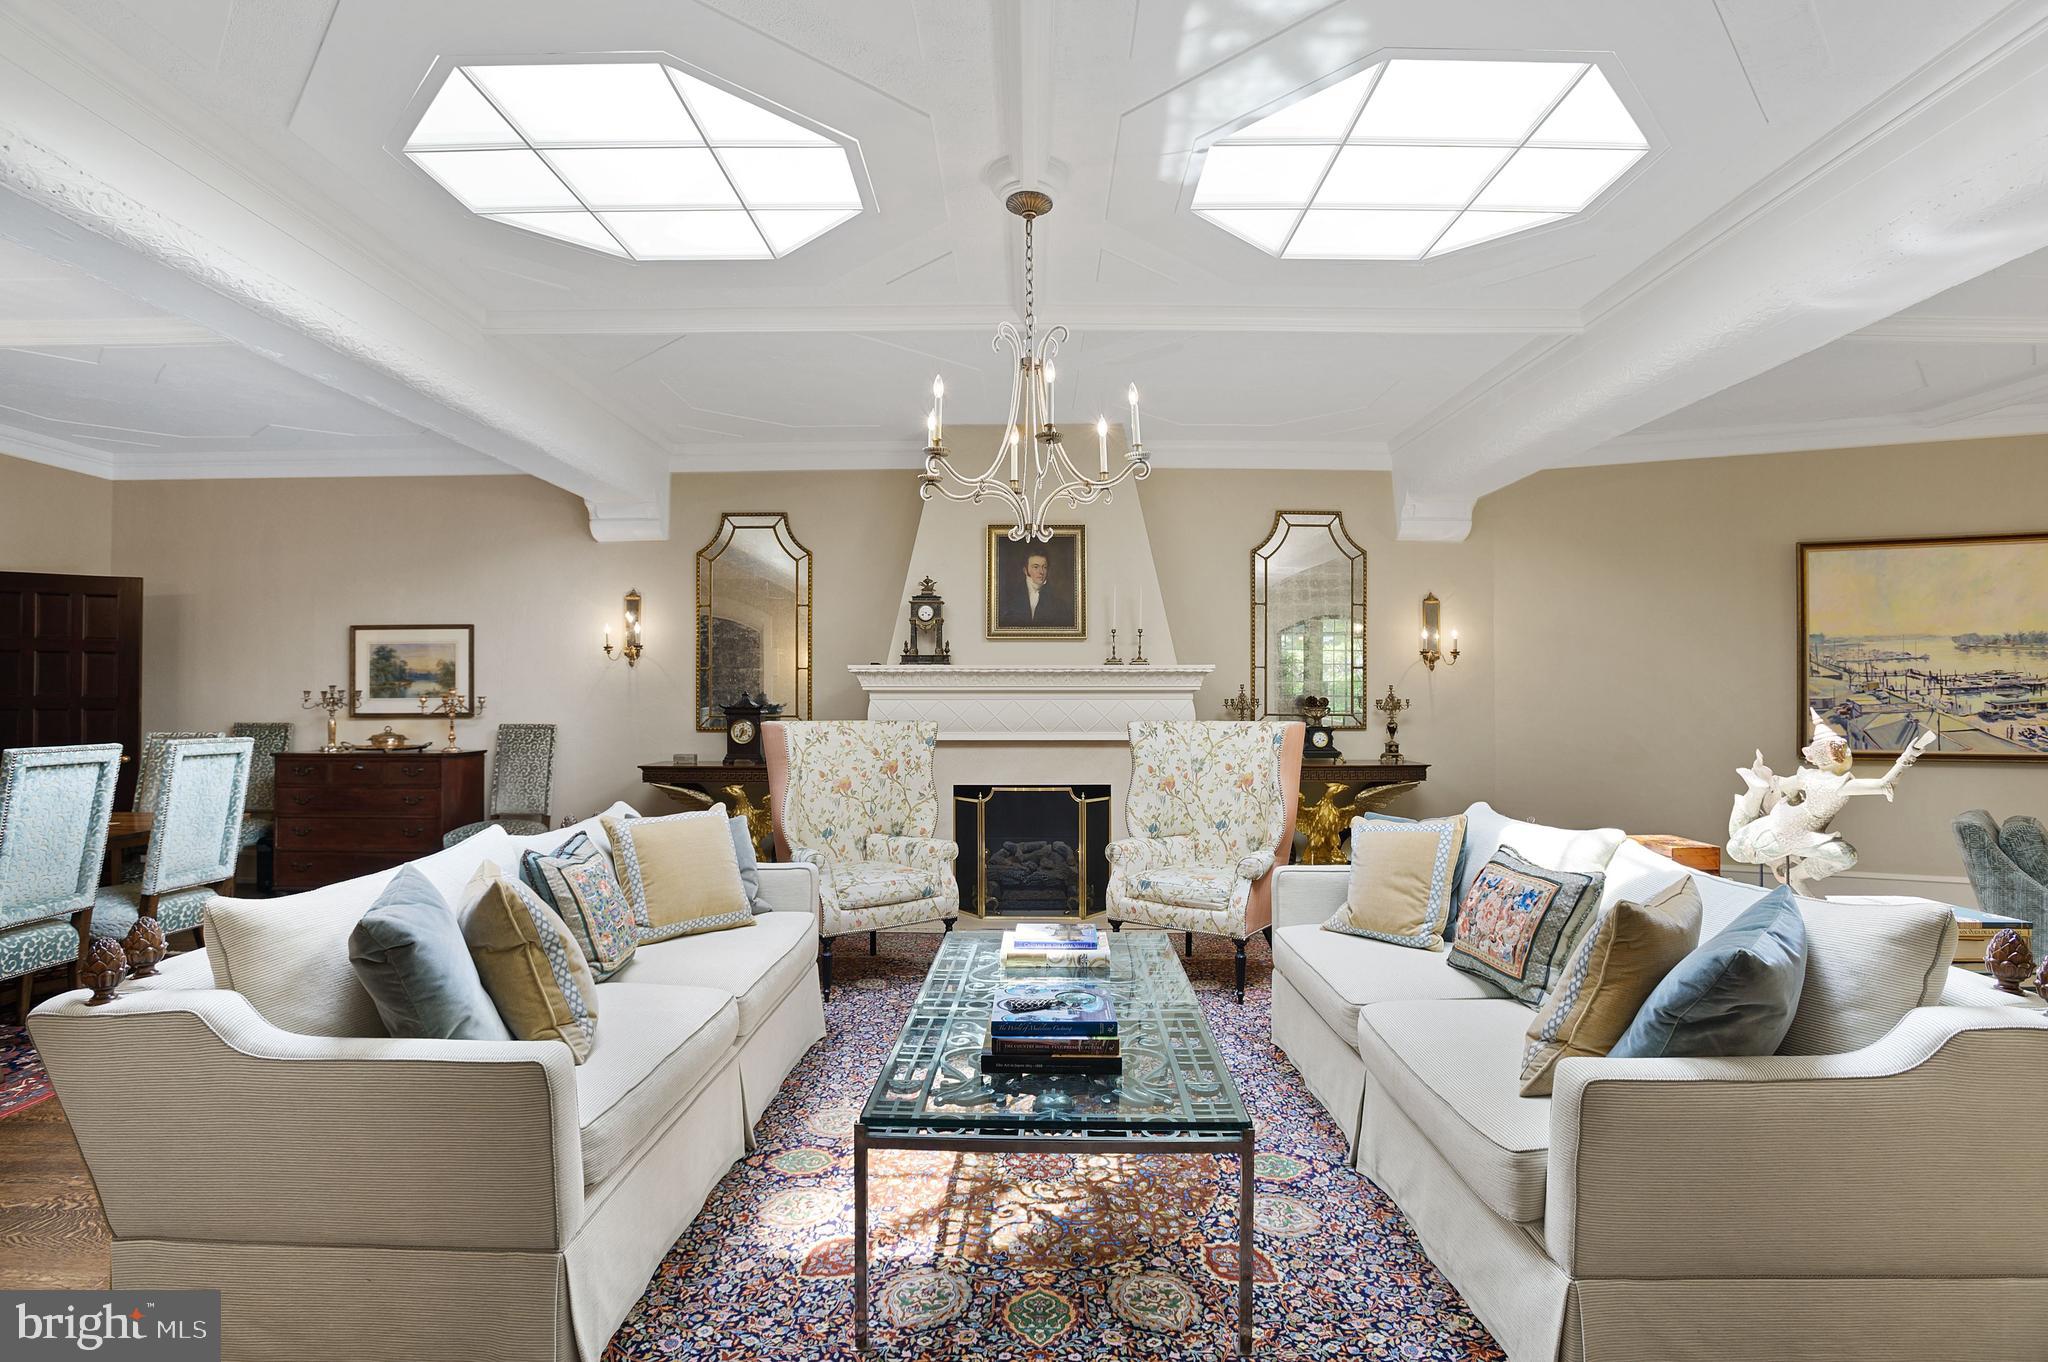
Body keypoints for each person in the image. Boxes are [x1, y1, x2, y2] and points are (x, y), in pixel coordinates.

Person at [997, 546, 1075, 629]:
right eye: (1035, 567)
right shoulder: (1009, 597)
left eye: (1044, 567)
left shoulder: (1058, 603)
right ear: (1025, 570)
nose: (1041, 572)